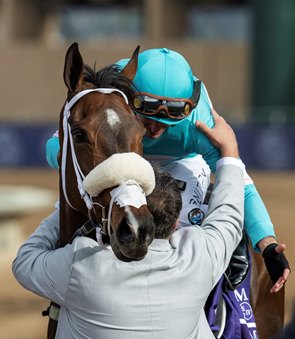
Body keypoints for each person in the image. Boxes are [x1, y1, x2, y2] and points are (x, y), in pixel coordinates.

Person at [13, 111, 243, 339]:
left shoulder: (82, 264)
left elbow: (25, 261)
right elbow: (229, 215)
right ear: (174, 225)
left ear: (122, 218)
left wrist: (73, 204)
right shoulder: (198, 257)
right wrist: (229, 153)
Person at [45, 47, 290, 293]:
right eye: (147, 116)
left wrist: (267, 242)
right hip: (124, 156)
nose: (155, 128)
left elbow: (238, 180)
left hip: (183, 162)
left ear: (188, 108)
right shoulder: (111, 92)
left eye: (169, 120)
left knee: (171, 225)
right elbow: (57, 145)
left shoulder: (198, 123)